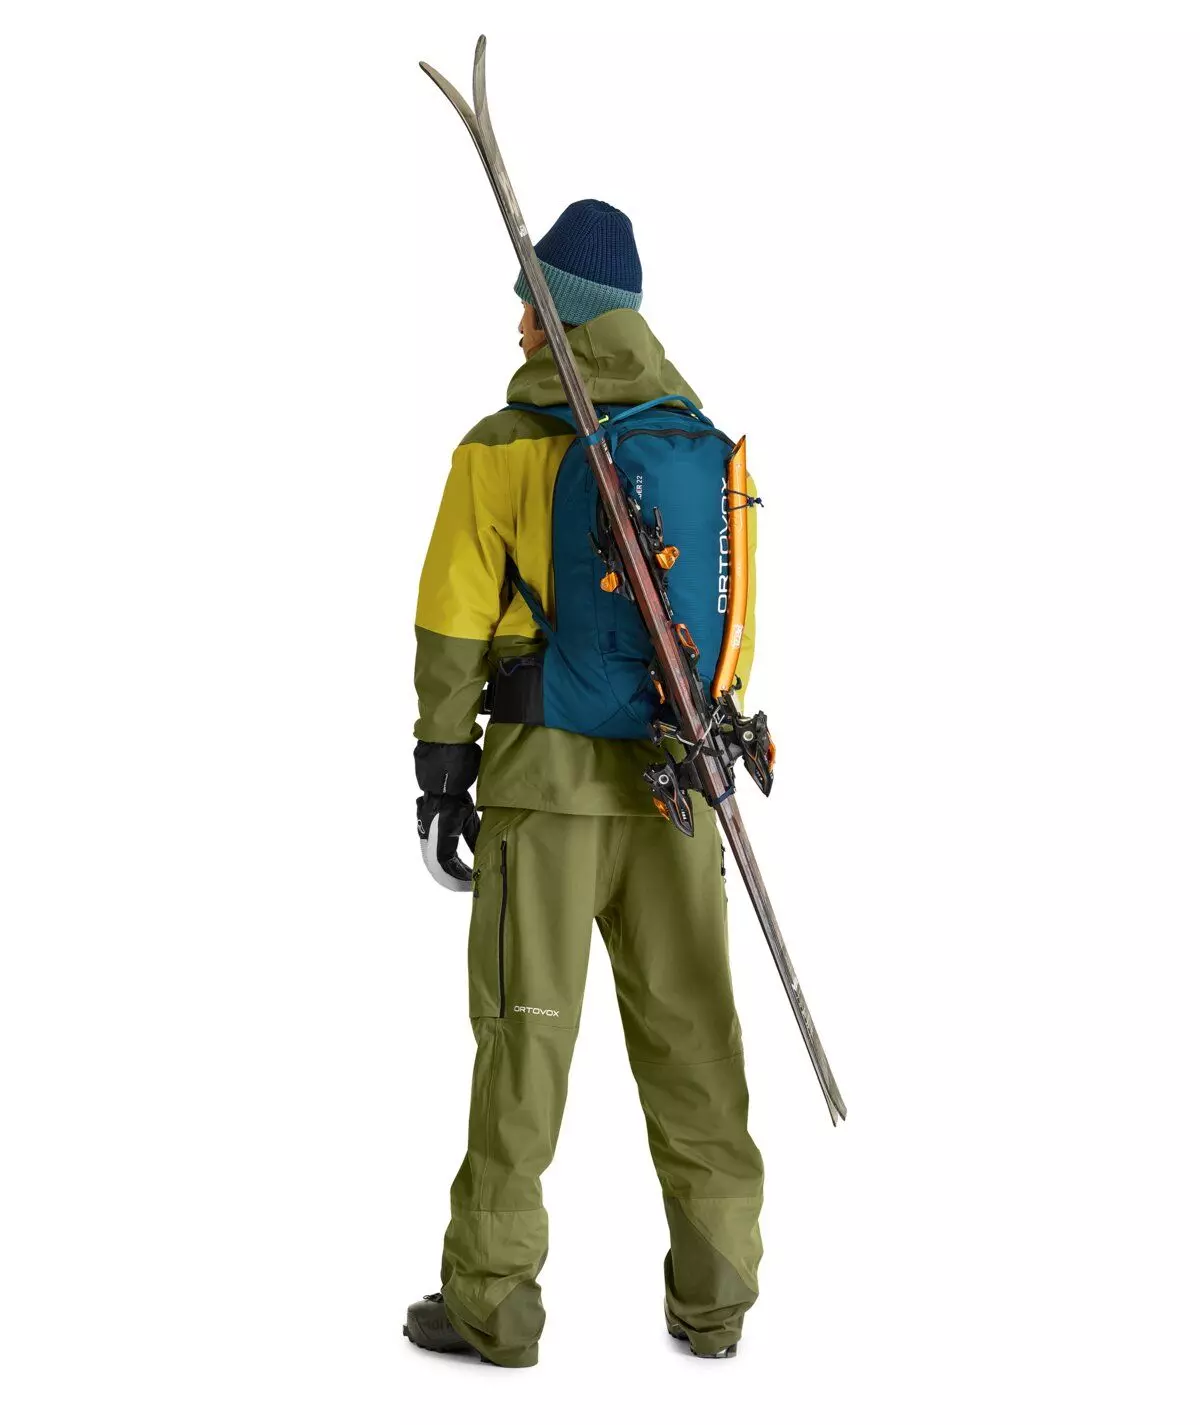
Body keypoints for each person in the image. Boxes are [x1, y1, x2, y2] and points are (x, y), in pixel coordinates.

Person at [405, 200, 763, 1367]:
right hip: (680, 794)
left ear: (563, 316)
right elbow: (731, 639)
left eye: (532, 301)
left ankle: (494, 1304)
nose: (518, 320)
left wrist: (443, 766)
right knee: (695, 1043)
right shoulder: (704, 451)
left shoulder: (501, 449)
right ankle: (716, 1299)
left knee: (525, 1042)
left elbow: (452, 619)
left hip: (543, 794)